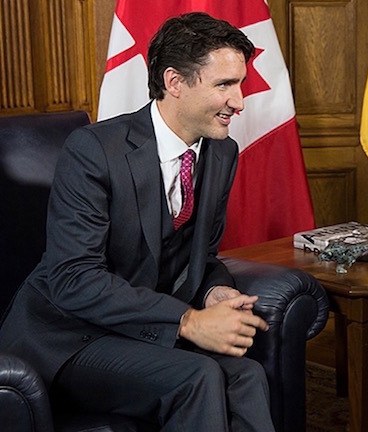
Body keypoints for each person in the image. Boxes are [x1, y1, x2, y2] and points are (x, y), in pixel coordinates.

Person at [0, 12, 275, 432]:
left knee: (247, 376)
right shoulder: (93, 150)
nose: (239, 102)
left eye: (239, 84)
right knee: (196, 377)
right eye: (225, 85)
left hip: (139, 327)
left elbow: (201, 254)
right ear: (175, 82)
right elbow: (72, 277)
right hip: (68, 335)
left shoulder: (221, 153)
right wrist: (188, 321)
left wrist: (216, 289)